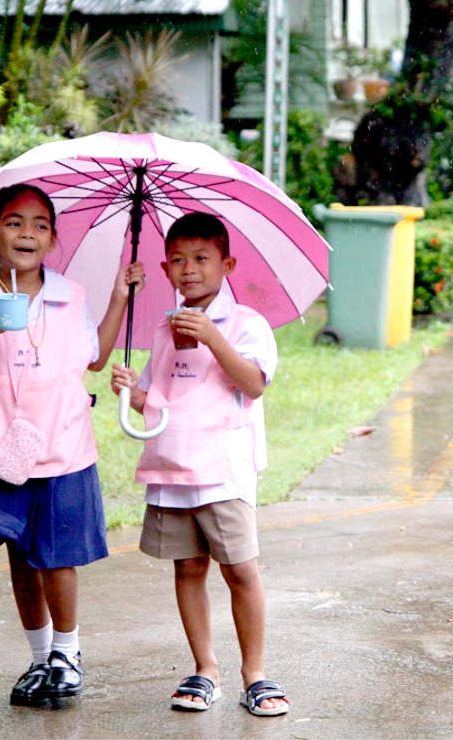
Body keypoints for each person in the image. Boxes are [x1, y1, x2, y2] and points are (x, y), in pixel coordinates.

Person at [0, 183, 144, 706]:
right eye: (13, 222)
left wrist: (120, 296)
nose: (27, 232)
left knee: (57, 557)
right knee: (20, 557)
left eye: (40, 225)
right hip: (0, 450)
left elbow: (93, 358)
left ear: (52, 240)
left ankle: (67, 654)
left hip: (64, 446)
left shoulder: (69, 294)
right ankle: (39, 656)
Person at [110, 212, 290, 717]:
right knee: (188, 568)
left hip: (222, 469)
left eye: (202, 259)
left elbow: (252, 385)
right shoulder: (165, 330)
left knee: (241, 570)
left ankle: (254, 672)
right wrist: (133, 392)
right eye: (178, 261)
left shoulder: (247, 324)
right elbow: (159, 401)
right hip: (172, 466)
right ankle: (204, 667)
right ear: (165, 269)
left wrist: (214, 337)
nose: (189, 269)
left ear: (227, 264)